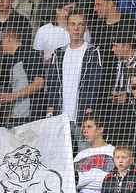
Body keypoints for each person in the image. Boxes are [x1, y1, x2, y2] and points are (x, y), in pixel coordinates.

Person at [45, 12, 104, 149]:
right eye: (72, 24)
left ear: (86, 28)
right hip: (61, 115)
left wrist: (90, 109)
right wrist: (50, 110)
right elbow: (53, 84)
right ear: (67, 27)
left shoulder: (92, 52)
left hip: (82, 115)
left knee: (84, 153)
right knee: (60, 154)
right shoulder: (58, 53)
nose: (76, 28)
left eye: (80, 24)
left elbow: (94, 83)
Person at [74, 113, 115, 193]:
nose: (84, 130)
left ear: (100, 130)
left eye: (89, 127)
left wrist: (85, 178)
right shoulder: (80, 155)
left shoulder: (114, 151)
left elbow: (110, 181)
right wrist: (97, 174)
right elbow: (73, 182)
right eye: (83, 127)